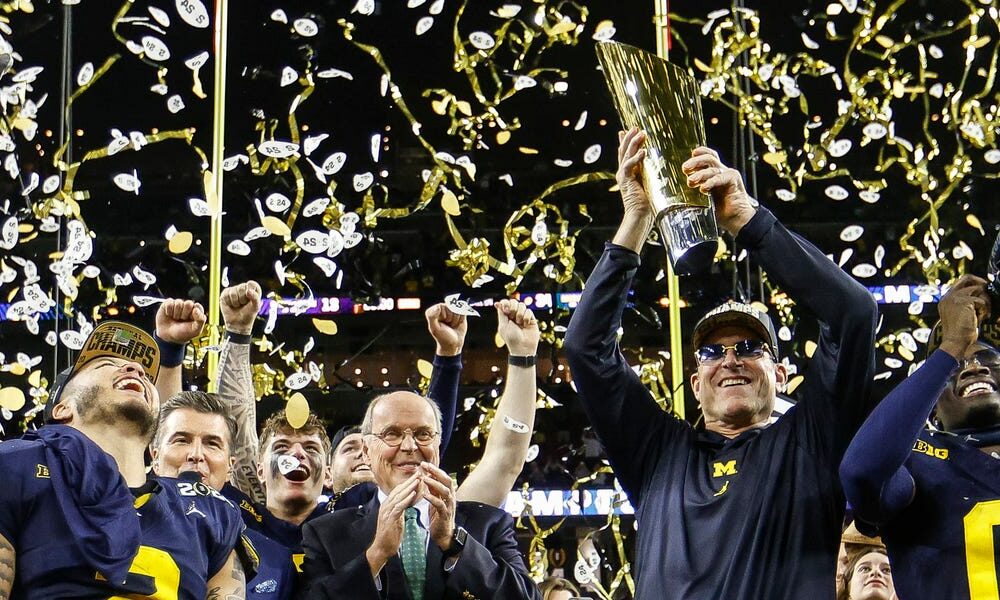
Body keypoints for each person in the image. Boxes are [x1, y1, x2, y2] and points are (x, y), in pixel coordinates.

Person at [563, 129, 878, 598]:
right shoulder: (657, 455)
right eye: (712, 352)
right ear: (695, 382)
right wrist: (635, 221)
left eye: (750, 348)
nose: (730, 359)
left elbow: (854, 313)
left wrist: (747, 221)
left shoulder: (811, 441)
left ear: (781, 375)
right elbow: (586, 349)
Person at [0, 321, 247, 599]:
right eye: (106, 364)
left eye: (144, 373)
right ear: (62, 408)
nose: (135, 369)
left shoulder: (210, 511)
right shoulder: (16, 465)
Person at [840, 274, 1000, 599]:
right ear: (932, 407)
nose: (973, 368)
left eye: (988, 360)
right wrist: (950, 348)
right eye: (956, 368)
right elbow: (861, 471)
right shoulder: (919, 462)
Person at [298, 390, 541, 599]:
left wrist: (453, 542)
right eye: (391, 434)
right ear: (366, 451)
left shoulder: (489, 524)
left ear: (437, 445)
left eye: (423, 434)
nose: (409, 446)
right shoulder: (325, 533)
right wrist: (376, 555)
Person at [151, 390, 296, 600]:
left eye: (212, 443)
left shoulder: (276, 560)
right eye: (181, 440)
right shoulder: (119, 526)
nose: (196, 455)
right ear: (155, 457)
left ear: (230, 467)